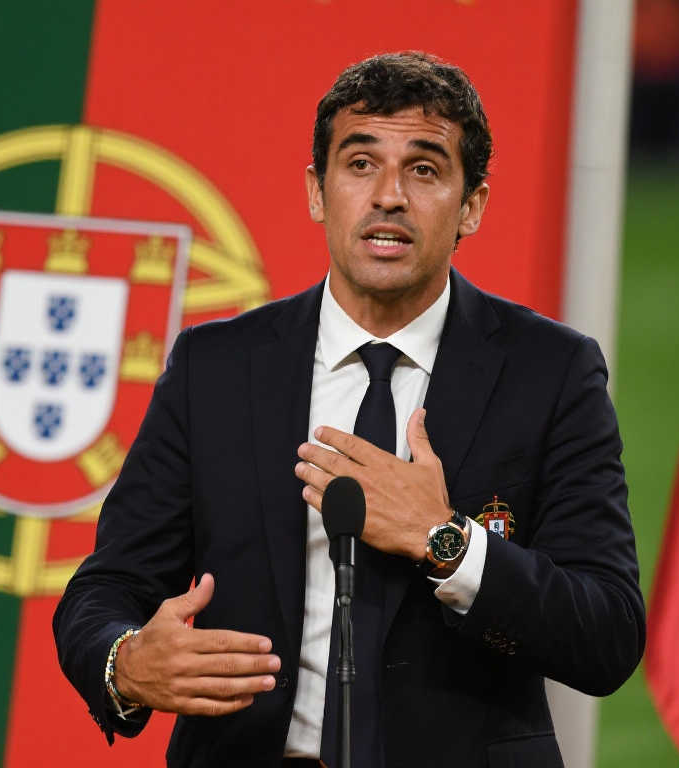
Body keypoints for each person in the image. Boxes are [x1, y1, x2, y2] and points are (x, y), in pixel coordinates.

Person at [53, 51, 645, 767]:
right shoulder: (216, 368)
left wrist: (445, 541)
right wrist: (123, 663)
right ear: (317, 190)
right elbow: (107, 588)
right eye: (360, 164)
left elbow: (607, 635)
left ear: (472, 206)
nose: (388, 196)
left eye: (423, 170)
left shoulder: (550, 371)